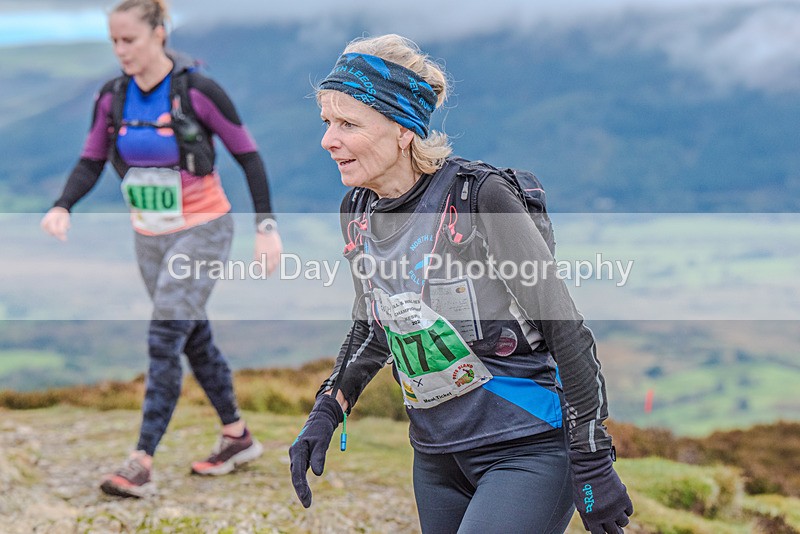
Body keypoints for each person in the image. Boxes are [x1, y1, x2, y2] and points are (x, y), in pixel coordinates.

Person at [288, 34, 633, 533]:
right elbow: (374, 325)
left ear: (402, 129)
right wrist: (327, 410)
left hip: (526, 447)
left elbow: (566, 330)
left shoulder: (479, 198)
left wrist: (593, 457)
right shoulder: (358, 210)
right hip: (435, 457)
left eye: (348, 124)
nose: (328, 140)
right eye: (326, 123)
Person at [40, 0, 282, 498]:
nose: (120, 50)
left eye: (129, 39)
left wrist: (266, 227)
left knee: (164, 334)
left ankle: (141, 461)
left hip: (204, 229)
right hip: (148, 235)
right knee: (191, 336)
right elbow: (90, 160)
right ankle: (237, 436)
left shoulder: (198, 91)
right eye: (114, 41)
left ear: (158, 33)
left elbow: (249, 157)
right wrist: (63, 205)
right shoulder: (112, 97)